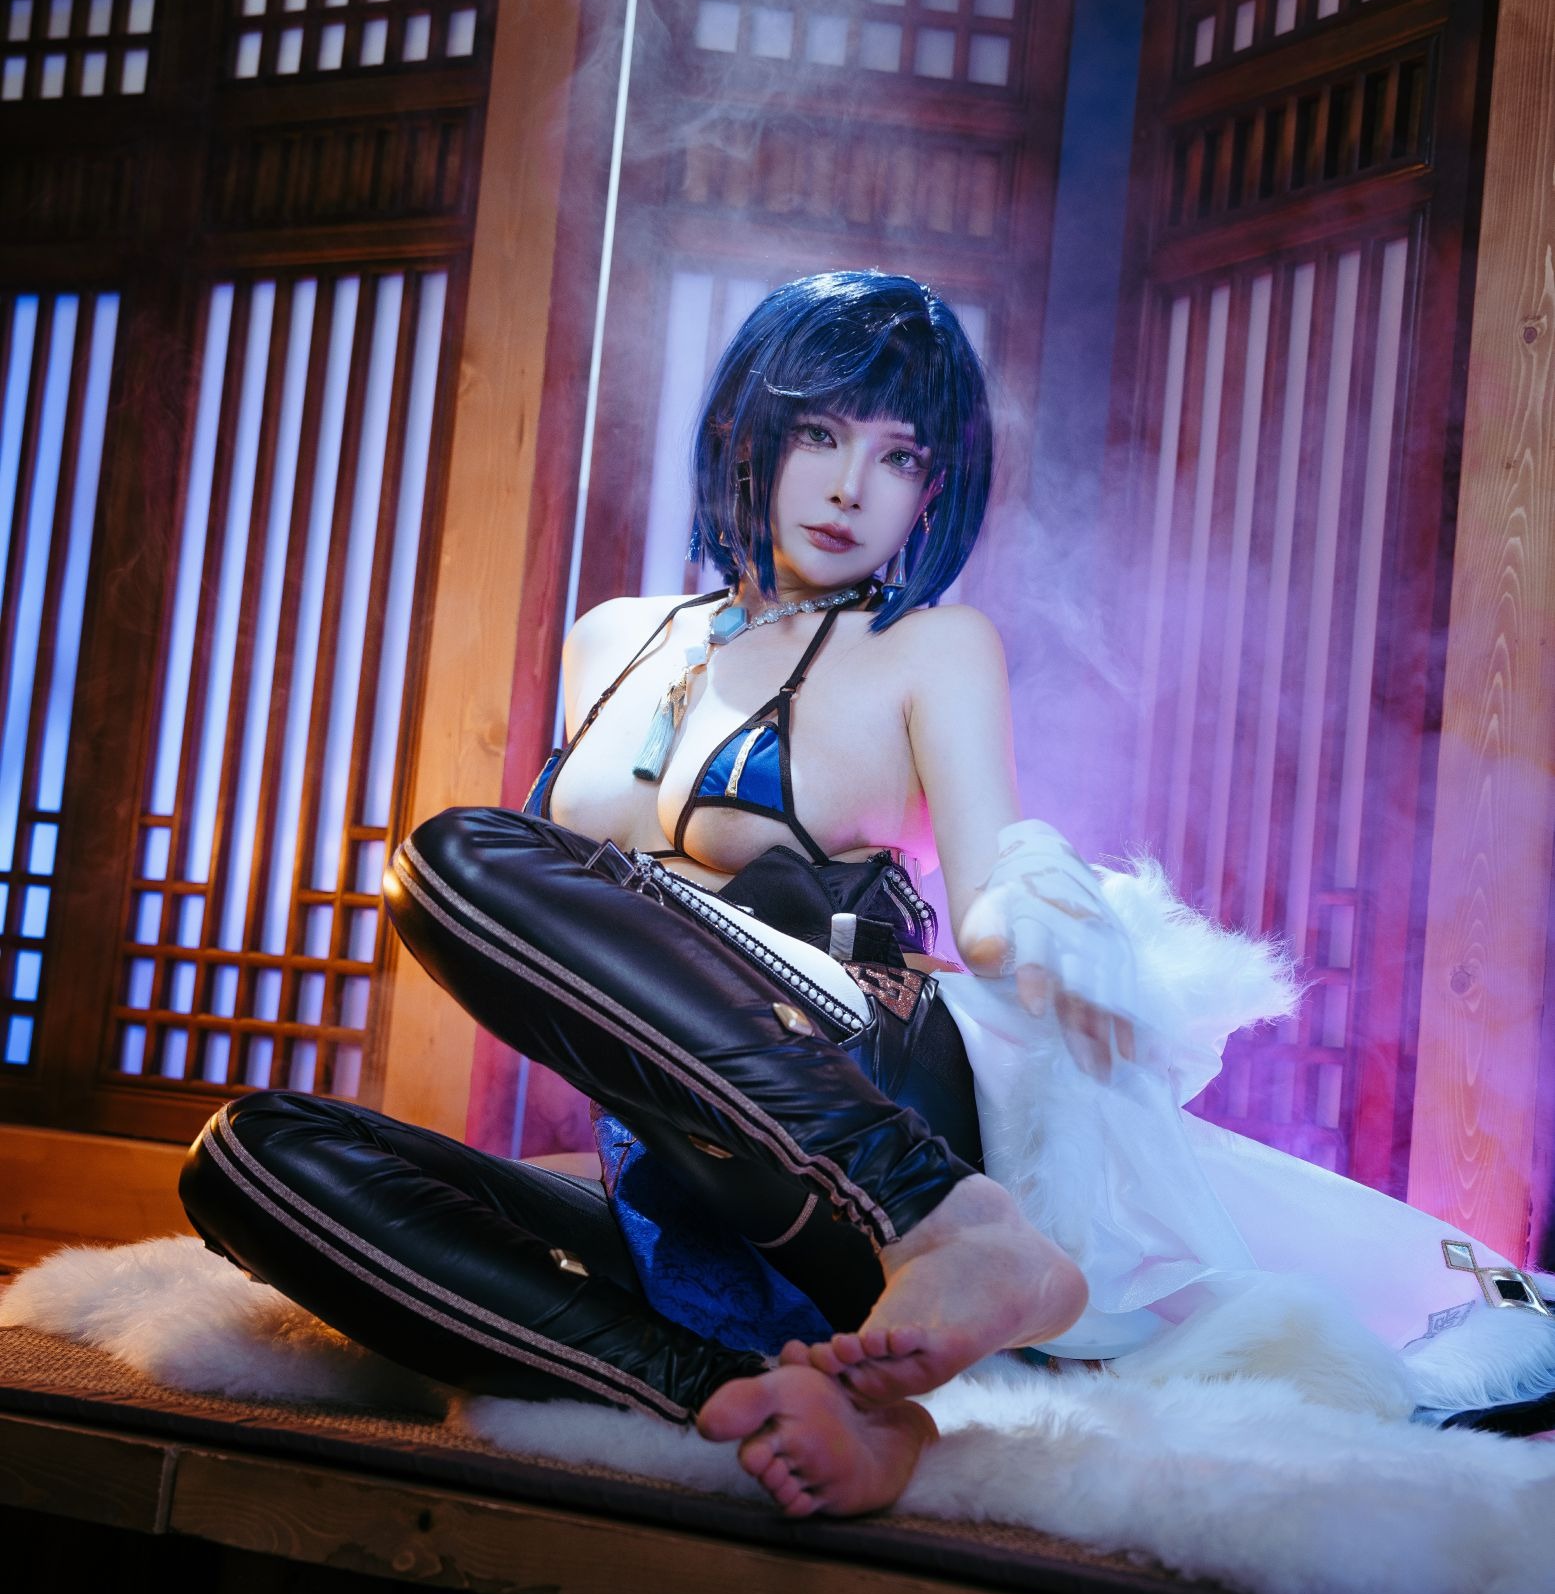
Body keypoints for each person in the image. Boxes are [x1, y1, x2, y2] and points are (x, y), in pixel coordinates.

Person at [179, 271, 1555, 1521]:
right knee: (255, 1157)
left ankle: (950, 1224)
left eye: (899, 458)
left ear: (932, 489)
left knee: (457, 856)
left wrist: (1051, 932)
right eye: (822, 435)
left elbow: (989, 875)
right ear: (753, 434)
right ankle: (731, 1392)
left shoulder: (932, 646)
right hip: (695, 1168)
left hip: (872, 1077)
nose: (851, 487)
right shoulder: (614, 637)